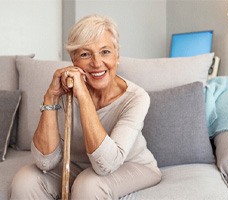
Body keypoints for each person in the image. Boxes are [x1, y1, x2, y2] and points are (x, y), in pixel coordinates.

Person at [10, 14, 161, 199]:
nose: (97, 63)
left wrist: (83, 97)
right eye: (85, 54)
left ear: (117, 56)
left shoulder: (136, 98)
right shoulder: (63, 90)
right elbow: (45, 162)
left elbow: (105, 165)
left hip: (130, 166)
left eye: (105, 51)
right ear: (74, 61)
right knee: (25, 181)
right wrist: (51, 97)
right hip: (77, 166)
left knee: (88, 185)